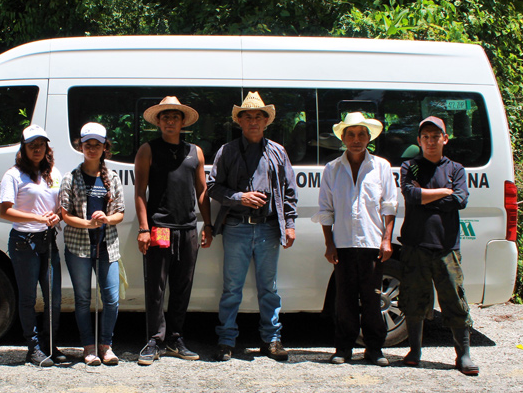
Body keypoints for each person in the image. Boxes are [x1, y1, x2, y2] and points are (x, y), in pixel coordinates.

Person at [207, 91, 297, 362]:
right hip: (236, 227)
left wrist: (290, 224)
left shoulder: (278, 151)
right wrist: (239, 197)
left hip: (269, 229)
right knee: (232, 287)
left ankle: (271, 340)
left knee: (269, 288)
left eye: (259, 116)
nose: (254, 121)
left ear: (266, 121)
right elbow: (212, 186)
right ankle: (226, 340)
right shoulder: (228, 151)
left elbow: (290, 191)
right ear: (240, 122)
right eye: (248, 117)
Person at [313, 112, 397, 367]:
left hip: (372, 245)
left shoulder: (381, 166)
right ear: (343, 138)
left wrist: (387, 240)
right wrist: (329, 244)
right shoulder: (332, 169)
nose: (356, 139)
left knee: (372, 300)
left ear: (369, 138)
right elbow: (326, 209)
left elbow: (389, 206)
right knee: (345, 300)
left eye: (362, 134)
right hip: (344, 245)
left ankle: (374, 349)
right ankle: (344, 349)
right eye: (351, 134)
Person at [134, 96, 213, 365]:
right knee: (156, 287)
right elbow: (139, 192)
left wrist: (208, 225)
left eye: (175, 117)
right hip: (160, 228)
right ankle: (154, 341)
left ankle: (175, 338)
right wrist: (144, 228)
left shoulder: (195, 152)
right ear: (158, 121)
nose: (170, 121)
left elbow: (202, 192)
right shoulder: (148, 149)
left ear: (183, 122)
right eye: (165, 117)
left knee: (183, 286)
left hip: (188, 228)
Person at [399, 116, 478, 375]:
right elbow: (410, 195)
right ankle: (414, 351)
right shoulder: (410, 167)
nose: (431, 141)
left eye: (436, 136)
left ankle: (463, 355)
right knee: (413, 301)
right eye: (425, 137)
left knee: (454, 300)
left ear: (445, 138)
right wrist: (444, 192)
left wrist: (426, 197)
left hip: (446, 247)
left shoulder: (456, 169)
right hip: (415, 244)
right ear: (419, 141)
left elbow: (460, 200)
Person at [0, 125, 64, 367]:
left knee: (54, 299)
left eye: (41, 144)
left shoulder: (54, 173)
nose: (37, 149)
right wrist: (38, 218)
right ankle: (33, 348)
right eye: (31, 145)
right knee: (28, 298)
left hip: (48, 242)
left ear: (47, 147)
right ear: (23, 148)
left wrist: (58, 215)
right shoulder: (14, 175)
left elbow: (60, 206)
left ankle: (50, 346)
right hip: (24, 243)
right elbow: (5, 211)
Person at [60, 122, 125, 366]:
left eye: (97, 145)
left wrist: (106, 219)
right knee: (83, 299)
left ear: (105, 148)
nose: (92, 149)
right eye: (88, 145)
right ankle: (88, 347)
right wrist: (87, 224)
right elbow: (64, 214)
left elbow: (120, 213)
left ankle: (106, 345)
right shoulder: (71, 178)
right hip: (78, 246)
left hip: (107, 245)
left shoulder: (112, 178)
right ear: (81, 146)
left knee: (111, 298)